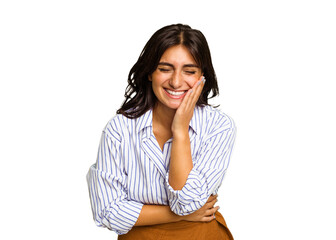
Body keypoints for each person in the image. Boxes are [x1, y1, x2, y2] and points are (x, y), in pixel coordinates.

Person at [86, 23, 236, 239]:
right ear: (149, 73)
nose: (176, 82)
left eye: (190, 71)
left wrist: (181, 131)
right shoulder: (119, 129)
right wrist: (179, 216)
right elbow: (107, 212)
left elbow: (186, 202)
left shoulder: (219, 126)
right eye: (165, 69)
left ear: (202, 77)